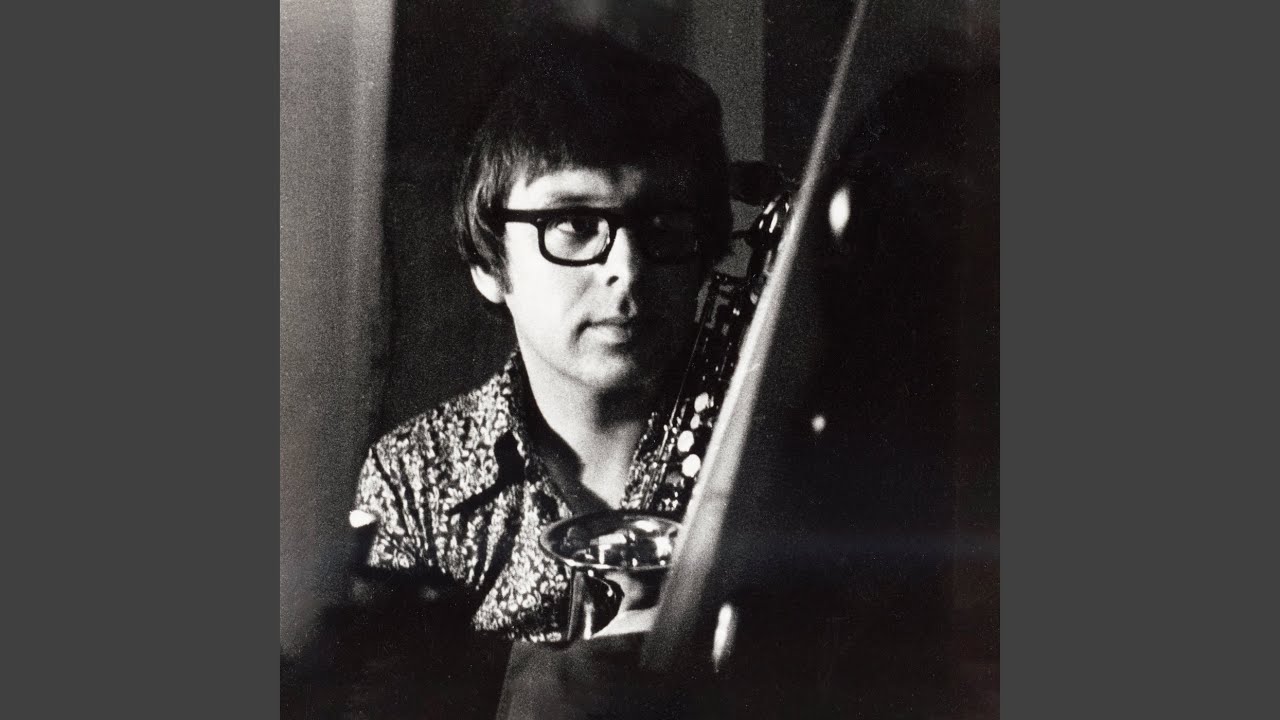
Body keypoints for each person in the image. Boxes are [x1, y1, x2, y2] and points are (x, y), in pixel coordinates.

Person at [347, 31, 732, 718]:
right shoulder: (411, 477)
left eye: (662, 222)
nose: (628, 269)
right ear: (488, 264)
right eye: (574, 222)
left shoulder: (773, 436)